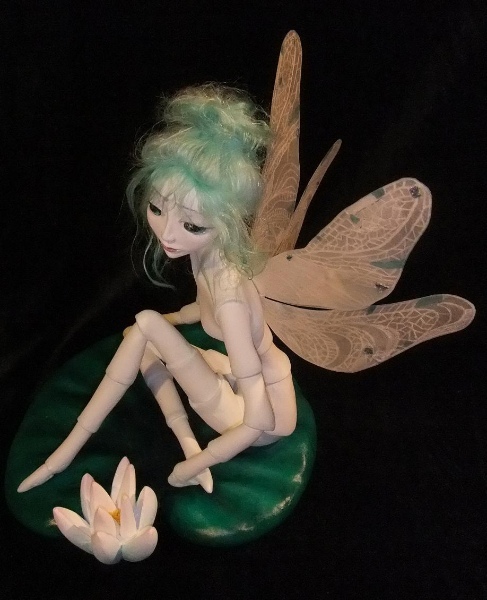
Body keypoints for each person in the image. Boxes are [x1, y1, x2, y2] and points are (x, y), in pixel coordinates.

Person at [18, 84, 297, 494]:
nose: (168, 234)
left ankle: (64, 454)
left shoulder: (231, 298)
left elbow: (258, 419)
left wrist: (195, 465)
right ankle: (183, 437)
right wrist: (174, 319)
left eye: (192, 226)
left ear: (228, 225)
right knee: (144, 335)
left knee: (145, 326)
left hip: (264, 416)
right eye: (156, 208)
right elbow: (200, 311)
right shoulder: (210, 262)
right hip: (249, 380)